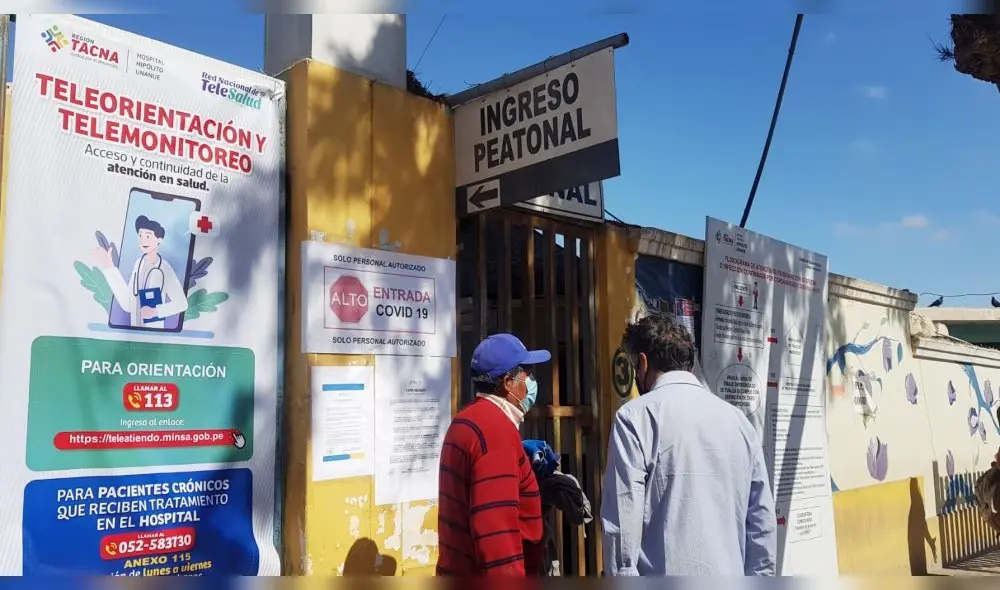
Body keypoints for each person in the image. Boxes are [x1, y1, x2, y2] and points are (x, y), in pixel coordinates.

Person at [601, 314, 777, 576]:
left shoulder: (635, 418)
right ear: (689, 365)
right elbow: (762, 527)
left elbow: (621, 533)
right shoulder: (739, 422)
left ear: (643, 363)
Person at [436, 333, 550, 577]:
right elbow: (496, 534)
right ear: (508, 383)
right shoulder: (495, 431)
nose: (531, 381)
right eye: (527, 373)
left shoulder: (467, 419)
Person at [94, 215, 188, 328]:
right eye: (140, 235)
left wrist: (155, 312)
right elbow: (128, 304)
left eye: (148, 236)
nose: (143, 240)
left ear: (159, 240)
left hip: (154, 331)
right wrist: (109, 267)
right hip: (135, 329)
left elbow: (181, 304)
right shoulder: (138, 264)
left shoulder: (164, 267)